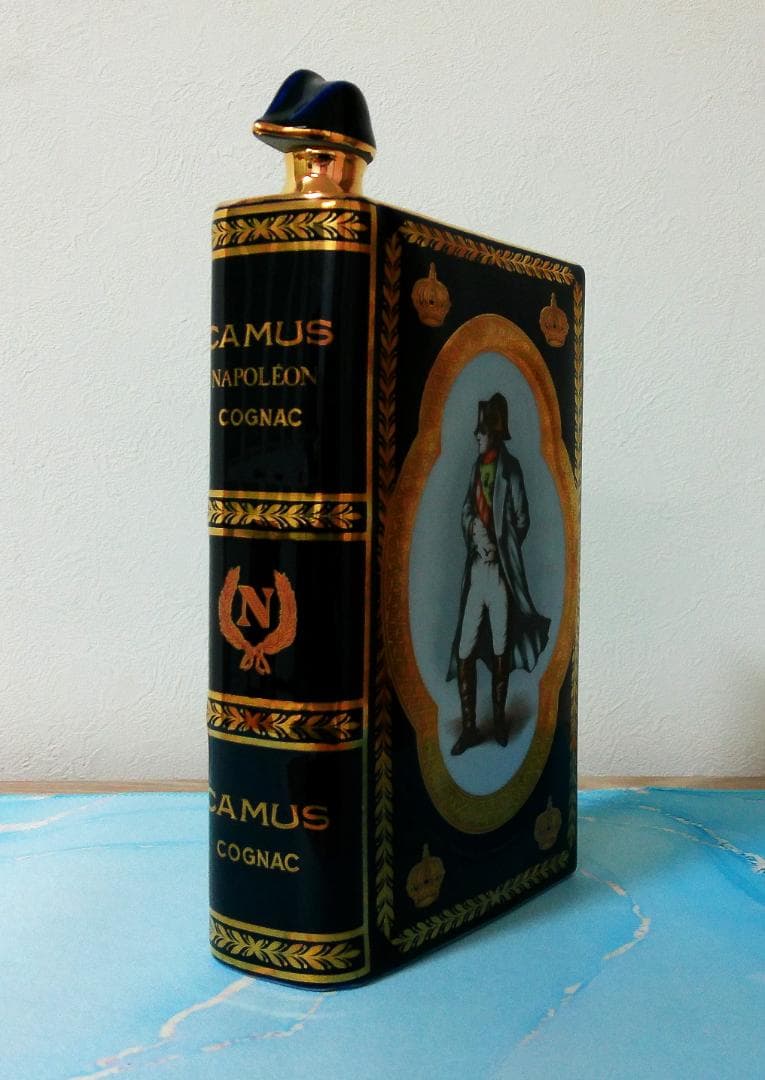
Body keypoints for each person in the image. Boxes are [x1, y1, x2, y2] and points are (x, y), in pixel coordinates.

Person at [447, 393, 550, 755]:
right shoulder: (476, 468)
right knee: (465, 647)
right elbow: (465, 510)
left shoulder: (512, 469)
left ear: (493, 431)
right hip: (477, 570)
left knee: (501, 645)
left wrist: (502, 546)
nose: (476, 435)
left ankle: (500, 723)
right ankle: (470, 728)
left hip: (501, 575)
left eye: (481, 429)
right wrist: (474, 529)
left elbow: (522, 519)